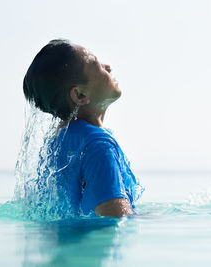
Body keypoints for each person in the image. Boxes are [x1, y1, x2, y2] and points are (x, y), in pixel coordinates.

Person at [23, 39, 143, 217]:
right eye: (97, 66)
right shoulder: (99, 146)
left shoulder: (59, 140)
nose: (108, 67)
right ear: (80, 95)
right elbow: (116, 218)